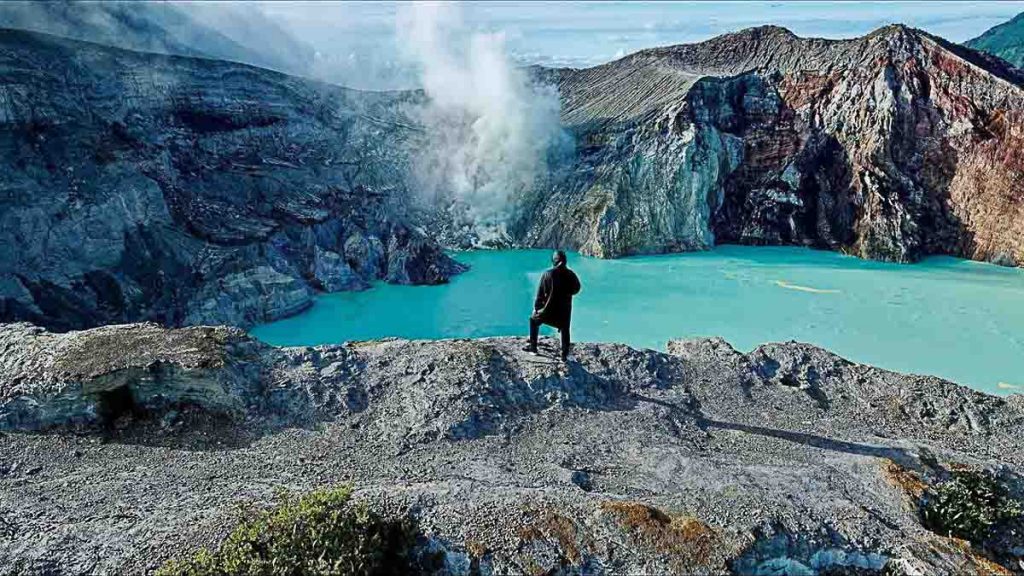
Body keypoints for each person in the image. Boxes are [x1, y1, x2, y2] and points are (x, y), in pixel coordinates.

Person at [524, 250, 581, 361]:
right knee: (565, 329)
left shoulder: (548, 274)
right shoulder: (571, 274)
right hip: (563, 314)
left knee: (533, 320)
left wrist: (536, 309)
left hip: (548, 311)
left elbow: (540, 294)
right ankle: (565, 354)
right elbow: (577, 289)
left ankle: (533, 348)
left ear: (554, 261)